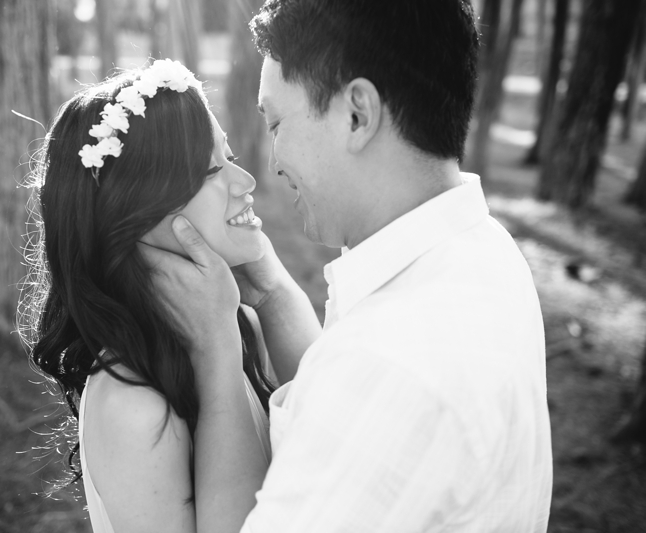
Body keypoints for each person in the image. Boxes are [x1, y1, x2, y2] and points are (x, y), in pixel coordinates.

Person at [141, 1, 554, 532]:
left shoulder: (389, 366)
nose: (271, 163)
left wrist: (215, 347)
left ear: (357, 114)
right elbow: (327, 415)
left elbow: (362, 399)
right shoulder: (481, 251)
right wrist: (267, 292)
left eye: (277, 123)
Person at [20, 59, 280, 532]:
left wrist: (268, 293)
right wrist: (217, 346)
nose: (245, 183)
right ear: (137, 214)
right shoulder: (132, 406)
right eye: (209, 171)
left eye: (231, 158)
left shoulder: (236, 320)